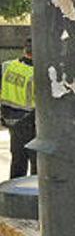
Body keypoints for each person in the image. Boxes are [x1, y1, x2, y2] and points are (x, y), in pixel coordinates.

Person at [1, 38, 36, 179]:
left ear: (24, 50)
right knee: (37, 161)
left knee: (18, 160)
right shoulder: (37, 73)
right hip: (30, 120)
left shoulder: (6, 66)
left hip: (10, 119)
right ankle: (36, 195)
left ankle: (14, 193)